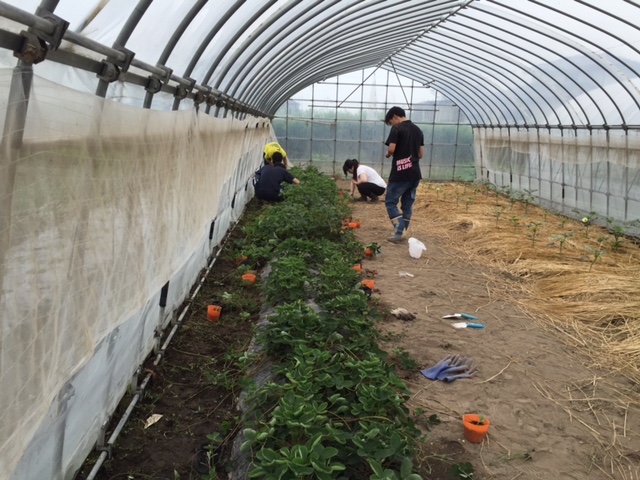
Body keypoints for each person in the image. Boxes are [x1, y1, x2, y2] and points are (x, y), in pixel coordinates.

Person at [383, 106, 424, 243]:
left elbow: (392, 149)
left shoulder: (397, 129)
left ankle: (400, 231)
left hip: (400, 174)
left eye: (391, 122)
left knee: (390, 202)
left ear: (395, 116)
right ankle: (403, 230)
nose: (392, 125)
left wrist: (388, 154)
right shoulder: (418, 130)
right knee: (407, 203)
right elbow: (421, 154)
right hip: (415, 173)